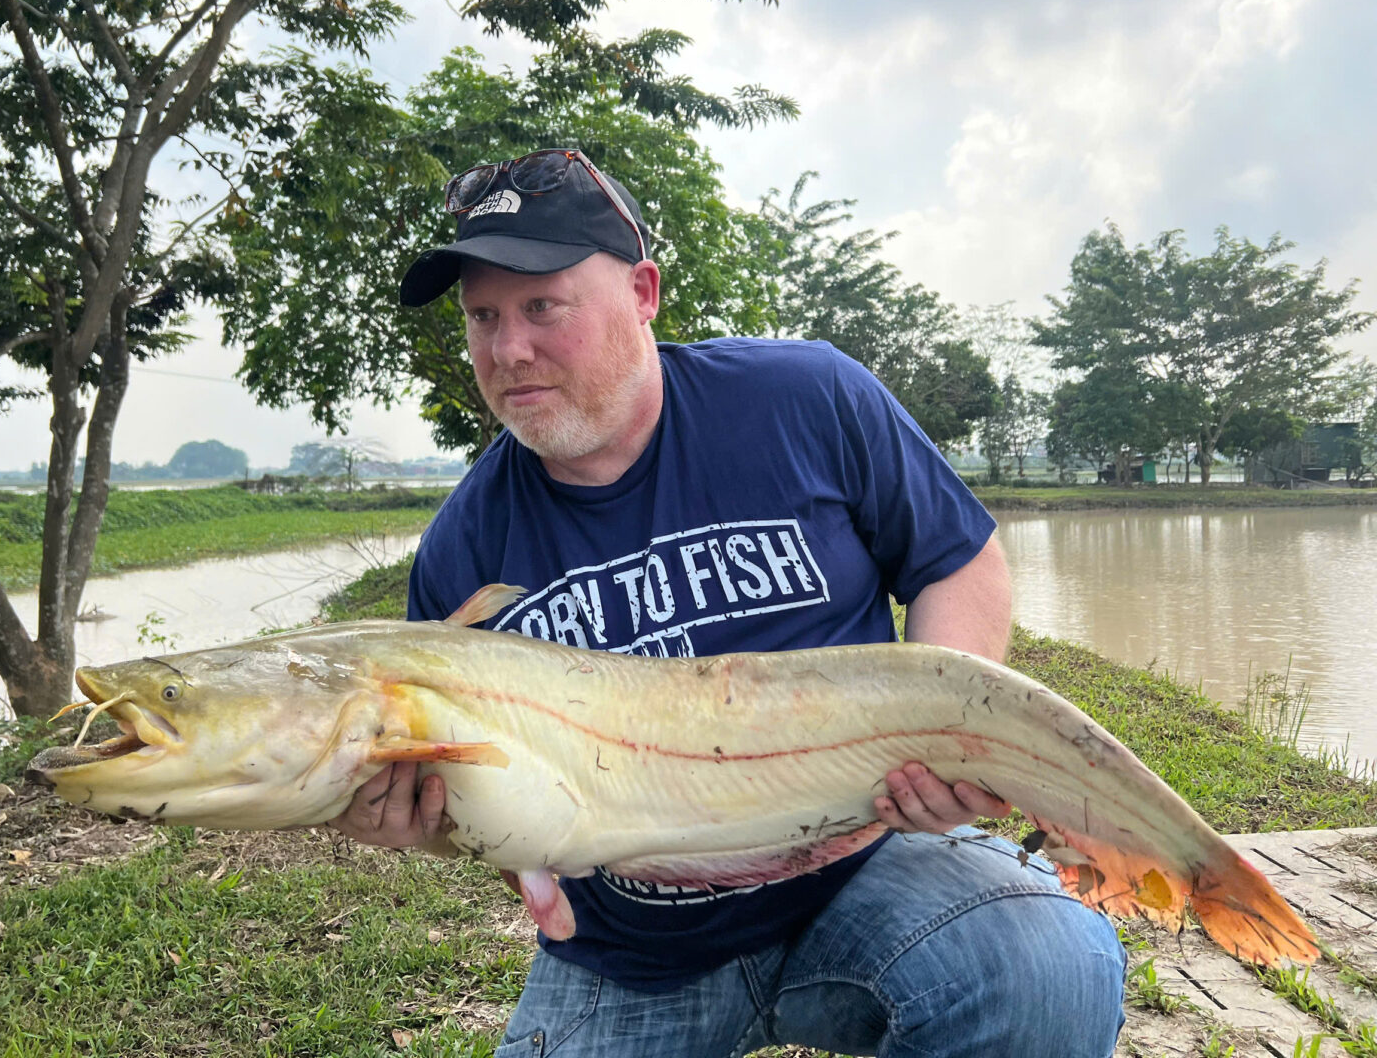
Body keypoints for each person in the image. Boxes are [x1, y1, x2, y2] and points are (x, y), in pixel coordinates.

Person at [330, 148, 1126, 1057]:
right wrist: (414, 820)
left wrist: (943, 739)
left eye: (542, 305)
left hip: (867, 866)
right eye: (483, 316)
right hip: (633, 953)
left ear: (641, 291)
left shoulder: (806, 398)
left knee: (1050, 969)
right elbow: (487, 796)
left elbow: (960, 560)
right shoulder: (462, 552)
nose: (509, 350)